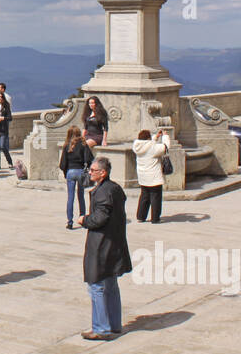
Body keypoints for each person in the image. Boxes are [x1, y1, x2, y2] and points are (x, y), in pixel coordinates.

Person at [80, 156, 131, 341]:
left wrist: (84, 220)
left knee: (97, 286)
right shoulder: (115, 189)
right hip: (114, 243)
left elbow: (99, 218)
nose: (90, 172)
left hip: (101, 245)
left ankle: (101, 328)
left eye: (93, 170)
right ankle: (114, 324)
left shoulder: (102, 193)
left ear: (103, 173)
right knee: (110, 285)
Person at [132, 127, 171, 224]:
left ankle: (141, 216)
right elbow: (165, 147)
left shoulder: (137, 146)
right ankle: (155, 218)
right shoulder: (153, 147)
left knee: (144, 196)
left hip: (143, 175)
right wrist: (165, 136)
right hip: (154, 176)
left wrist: (155, 137)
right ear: (148, 138)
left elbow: (147, 145)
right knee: (155, 197)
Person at [59, 126, 94, 230]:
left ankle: (69, 222)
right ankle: (82, 218)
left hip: (70, 171)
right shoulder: (83, 144)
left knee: (70, 198)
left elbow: (62, 164)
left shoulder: (67, 145)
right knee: (81, 196)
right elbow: (89, 158)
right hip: (80, 171)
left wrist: (66, 172)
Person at [0, 83, 14, 170]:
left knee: (2, 146)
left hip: (3, 128)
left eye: (1, 97)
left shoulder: (6, 105)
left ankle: (9, 161)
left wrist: (2, 118)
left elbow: (10, 117)